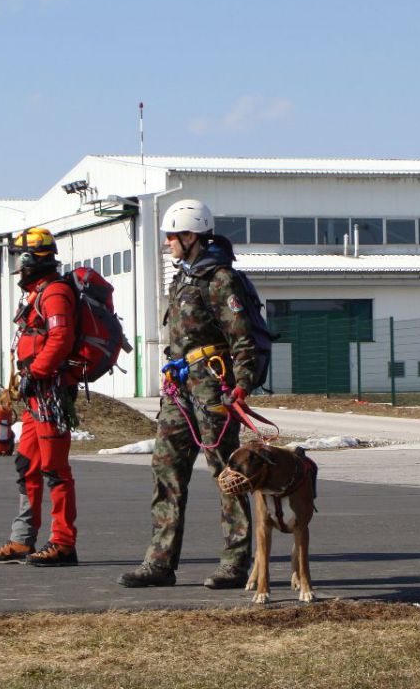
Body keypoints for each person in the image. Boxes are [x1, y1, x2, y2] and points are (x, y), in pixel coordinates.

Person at [118, 199, 255, 589]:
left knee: (227, 473)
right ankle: (159, 563)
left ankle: (234, 563)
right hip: (178, 387)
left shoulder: (220, 280)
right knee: (166, 469)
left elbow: (241, 337)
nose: (167, 244)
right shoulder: (183, 277)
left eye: (172, 236)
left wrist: (241, 386)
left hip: (213, 387)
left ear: (191, 235)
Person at [0, 227, 80, 567]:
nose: (18, 264)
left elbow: (60, 338)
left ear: (32, 259)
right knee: (27, 465)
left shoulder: (55, 293)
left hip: (50, 395)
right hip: (34, 397)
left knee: (56, 470)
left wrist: (36, 373)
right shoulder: (37, 294)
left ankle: (64, 543)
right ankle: (23, 539)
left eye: (20, 257)